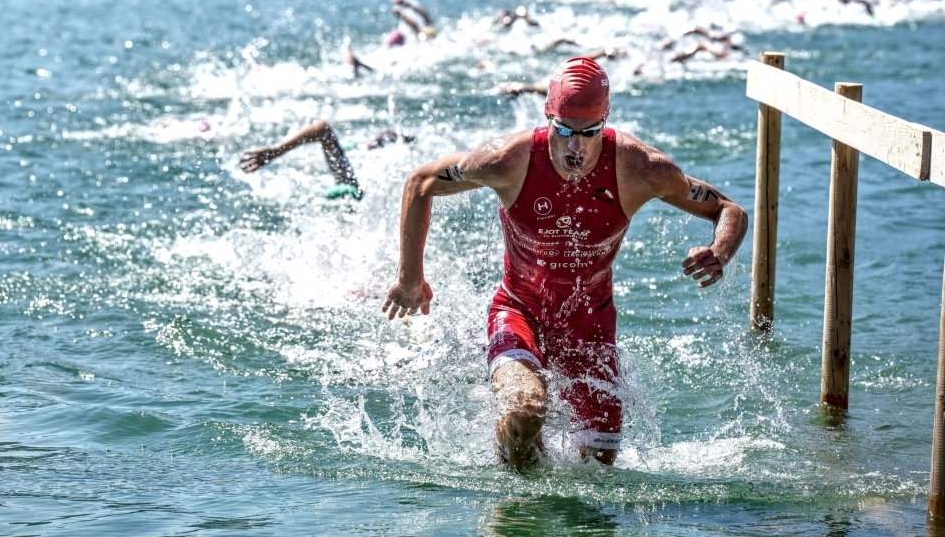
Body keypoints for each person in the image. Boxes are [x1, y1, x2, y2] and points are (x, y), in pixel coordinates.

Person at [382, 57, 747, 470]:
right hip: (518, 310)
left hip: (591, 324)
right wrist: (410, 277)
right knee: (524, 412)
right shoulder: (507, 159)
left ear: (605, 121)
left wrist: (720, 251)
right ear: (548, 117)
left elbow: (728, 209)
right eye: (565, 131)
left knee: (599, 464)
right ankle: (514, 495)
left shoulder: (641, 168)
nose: (577, 147)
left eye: (590, 133)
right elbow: (421, 183)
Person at [239, 120, 414, 201]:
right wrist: (275, 151)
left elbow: (323, 129)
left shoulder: (352, 182)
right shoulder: (358, 171)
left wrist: (277, 150)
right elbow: (322, 129)